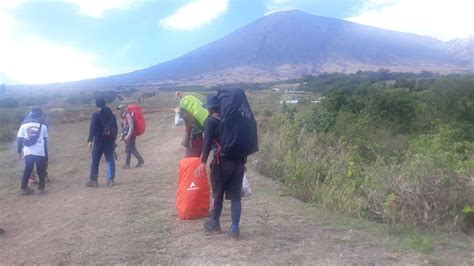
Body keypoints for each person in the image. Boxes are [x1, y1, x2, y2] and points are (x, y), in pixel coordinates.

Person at [195, 94, 245, 239]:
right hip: (238, 162)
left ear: (210, 108)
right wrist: (244, 162)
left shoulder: (210, 121)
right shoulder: (233, 119)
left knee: (217, 194)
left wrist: (203, 162)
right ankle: (235, 229)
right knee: (236, 198)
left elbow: (207, 142)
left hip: (221, 163)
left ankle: (215, 223)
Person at [16, 108, 49, 195]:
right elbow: (45, 141)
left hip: (28, 151)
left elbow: (20, 140)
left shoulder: (23, 126)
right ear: (40, 116)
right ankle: (41, 188)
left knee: (27, 169)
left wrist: (19, 152)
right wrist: (45, 153)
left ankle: (24, 188)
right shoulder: (44, 126)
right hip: (40, 151)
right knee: (41, 170)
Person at [86, 98, 117, 187]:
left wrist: (90, 140)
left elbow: (93, 128)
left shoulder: (96, 115)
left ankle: (94, 180)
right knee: (110, 159)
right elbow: (115, 128)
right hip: (110, 140)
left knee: (95, 160)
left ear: (97, 105)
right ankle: (111, 180)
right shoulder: (111, 115)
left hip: (99, 141)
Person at [22, 111, 50, 184]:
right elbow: (45, 136)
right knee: (43, 162)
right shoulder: (43, 122)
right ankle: (42, 177)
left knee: (30, 163)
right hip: (40, 146)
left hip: (29, 147)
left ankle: (34, 177)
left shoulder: (26, 122)